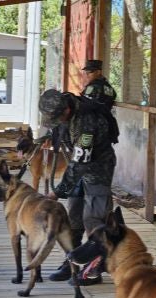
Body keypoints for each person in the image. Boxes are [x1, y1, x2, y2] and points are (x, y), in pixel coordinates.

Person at [40, 88, 119, 285]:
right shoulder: (66, 107)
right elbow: (63, 136)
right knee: (74, 216)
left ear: (66, 111)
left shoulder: (87, 121)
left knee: (94, 219)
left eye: (59, 118)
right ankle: (72, 262)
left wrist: (58, 191)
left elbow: (81, 160)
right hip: (77, 170)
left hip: (98, 169)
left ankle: (93, 268)